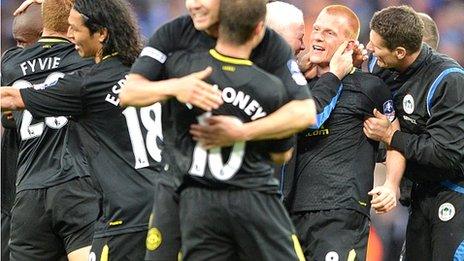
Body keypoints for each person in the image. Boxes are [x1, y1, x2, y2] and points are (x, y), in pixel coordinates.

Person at [119, 0, 353, 259]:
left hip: (246, 188)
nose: (193, 5)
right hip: (180, 182)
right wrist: (176, 87)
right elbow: (129, 92)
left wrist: (242, 131)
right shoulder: (175, 33)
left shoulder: (269, 44)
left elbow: (304, 111)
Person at [1, 0, 210, 259]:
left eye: (75, 29)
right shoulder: (150, 72)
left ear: (101, 33)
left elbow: (10, 98)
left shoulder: (87, 84)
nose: (70, 36)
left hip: (122, 213)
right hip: (168, 201)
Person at [161, 1, 306, 259]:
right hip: (253, 195)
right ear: (259, 30)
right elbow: (282, 155)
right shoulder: (270, 88)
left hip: (198, 199)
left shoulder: (186, 74)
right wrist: (245, 132)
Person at [283, 5, 405, 260]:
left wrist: (391, 185)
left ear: (348, 46)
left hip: (341, 212)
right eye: (316, 29)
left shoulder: (370, 87)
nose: (316, 37)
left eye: (328, 33)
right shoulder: (300, 87)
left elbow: (394, 136)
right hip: (290, 212)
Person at [1, 0, 100, 260]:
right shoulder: (87, 60)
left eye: (23, 41)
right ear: (71, 28)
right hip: (77, 184)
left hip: (28, 192)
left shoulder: (10, 64)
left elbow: (9, 118)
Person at [364, 5, 464, 260]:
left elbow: (447, 154)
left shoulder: (448, 80)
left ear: (400, 52)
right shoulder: (383, 69)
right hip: (419, 194)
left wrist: (391, 137)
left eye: (376, 46)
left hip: (455, 194)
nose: (369, 50)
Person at [1, 3, 43, 261]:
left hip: (37, 194)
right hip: (16, 193)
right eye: (18, 43)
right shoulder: (9, 64)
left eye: (26, 43)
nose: (21, 52)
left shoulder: (10, 65)